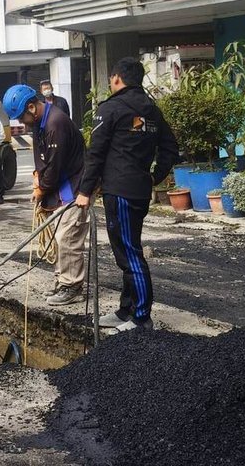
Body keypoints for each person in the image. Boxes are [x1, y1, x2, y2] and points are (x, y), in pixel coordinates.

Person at [75, 57, 179, 332]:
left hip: (119, 191)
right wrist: (155, 177)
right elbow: (171, 149)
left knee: (129, 254)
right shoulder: (152, 111)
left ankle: (142, 317)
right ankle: (126, 310)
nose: (110, 83)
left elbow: (95, 154)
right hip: (140, 191)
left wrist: (85, 191)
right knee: (129, 247)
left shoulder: (109, 109)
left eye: (111, 79)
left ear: (117, 79)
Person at [3, 85, 88, 305]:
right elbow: (42, 161)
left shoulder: (55, 123)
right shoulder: (40, 124)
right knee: (55, 239)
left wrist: (41, 188)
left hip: (71, 189)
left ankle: (72, 287)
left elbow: (54, 167)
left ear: (31, 107)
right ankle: (62, 282)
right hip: (57, 191)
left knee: (66, 238)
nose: (21, 123)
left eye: (22, 117)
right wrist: (36, 181)